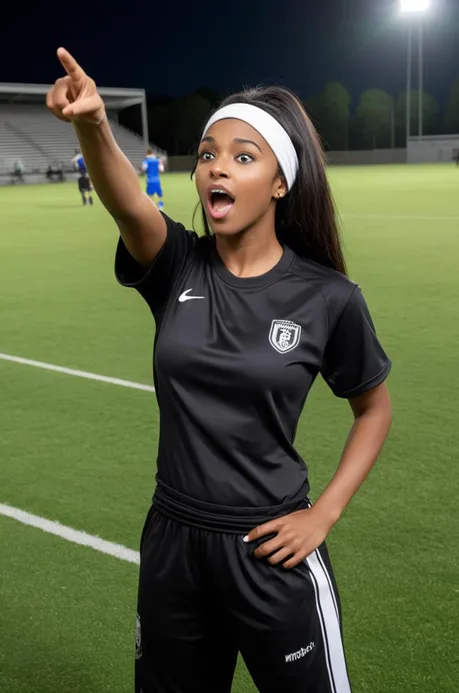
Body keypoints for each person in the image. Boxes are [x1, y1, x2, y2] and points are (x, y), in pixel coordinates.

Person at [47, 48, 393, 693]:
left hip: (270, 549)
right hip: (173, 543)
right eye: (207, 154)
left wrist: (324, 515)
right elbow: (129, 208)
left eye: (242, 156)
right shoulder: (178, 264)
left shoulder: (329, 298)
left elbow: (374, 409)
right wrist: (92, 122)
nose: (216, 169)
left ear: (280, 183)